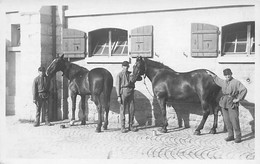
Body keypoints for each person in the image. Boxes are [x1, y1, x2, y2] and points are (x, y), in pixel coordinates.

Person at [207, 68, 247, 143]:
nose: (227, 76)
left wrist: (238, 99)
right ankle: (231, 135)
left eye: (228, 75)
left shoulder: (236, 82)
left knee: (234, 120)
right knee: (227, 120)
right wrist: (212, 75)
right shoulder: (224, 82)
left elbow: (244, 90)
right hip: (223, 103)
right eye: (225, 75)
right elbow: (217, 80)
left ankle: (238, 137)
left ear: (231, 74)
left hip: (232, 103)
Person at [116, 61, 138, 133]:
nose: (126, 68)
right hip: (123, 92)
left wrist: (134, 75)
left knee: (132, 109)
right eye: (124, 66)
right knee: (123, 109)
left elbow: (138, 78)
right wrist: (118, 96)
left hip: (131, 91)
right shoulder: (119, 75)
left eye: (127, 66)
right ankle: (123, 127)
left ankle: (130, 125)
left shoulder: (130, 74)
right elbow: (117, 86)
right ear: (122, 67)